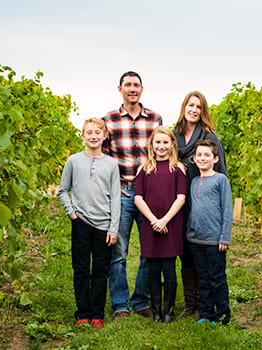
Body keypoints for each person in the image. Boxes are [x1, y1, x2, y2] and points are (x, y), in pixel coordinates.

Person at [102, 71, 162, 318]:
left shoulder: (155, 119)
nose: (132, 88)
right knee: (118, 251)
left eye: (136, 85)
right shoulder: (109, 120)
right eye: (128, 85)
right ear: (120, 89)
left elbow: (161, 150)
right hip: (123, 192)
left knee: (150, 249)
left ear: (142, 89)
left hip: (149, 193)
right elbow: (104, 157)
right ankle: (119, 305)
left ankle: (140, 301)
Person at [58, 118, 120, 329]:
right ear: (83, 136)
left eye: (97, 132)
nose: (93, 136)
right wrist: (72, 213)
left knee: (101, 271)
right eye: (89, 132)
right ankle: (82, 313)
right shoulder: (74, 161)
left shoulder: (112, 163)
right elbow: (63, 190)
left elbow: (115, 197)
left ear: (104, 136)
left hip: (104, 225)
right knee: (82, 268)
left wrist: (113, 227)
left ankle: (97, 315)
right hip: (81, 222)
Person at [173, 91, 227, 318]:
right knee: (185, 253)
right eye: (190, 105)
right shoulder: (174, 136)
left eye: (198, 106)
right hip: (177, 202)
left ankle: (207, 305)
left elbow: (221, 172)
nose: (193, 110)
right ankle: (191, 303)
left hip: (201, 204)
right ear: (184, 107)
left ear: (203, 110)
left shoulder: (209, 137)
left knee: (203, 257)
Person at [134, 126, 186, 323]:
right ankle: (156, 311)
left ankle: (168, 311)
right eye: (158, 142)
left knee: (169, 269)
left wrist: (164, 220)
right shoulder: (144, 169)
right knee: (153, 269)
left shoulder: (177, 168)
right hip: (150, 224)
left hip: (171, 224)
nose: (162, 146)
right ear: (152, 145)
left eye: (166, 142)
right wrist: (154, 221)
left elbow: (181, 198)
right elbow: (138, 198)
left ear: (172, 144)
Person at [187, 139, 232, 325]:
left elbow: (227, 211)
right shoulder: (194, 181)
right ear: (194, 158)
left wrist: (224, 237)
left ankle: (221, 314)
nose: (202, 158)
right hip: (196, 240)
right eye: (199, 155)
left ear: (215, 159)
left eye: (207, 155)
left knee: (217, 279)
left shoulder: (221, 180)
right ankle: (206, 313)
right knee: (203, 279)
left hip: (215, 241)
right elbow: (192, 209)